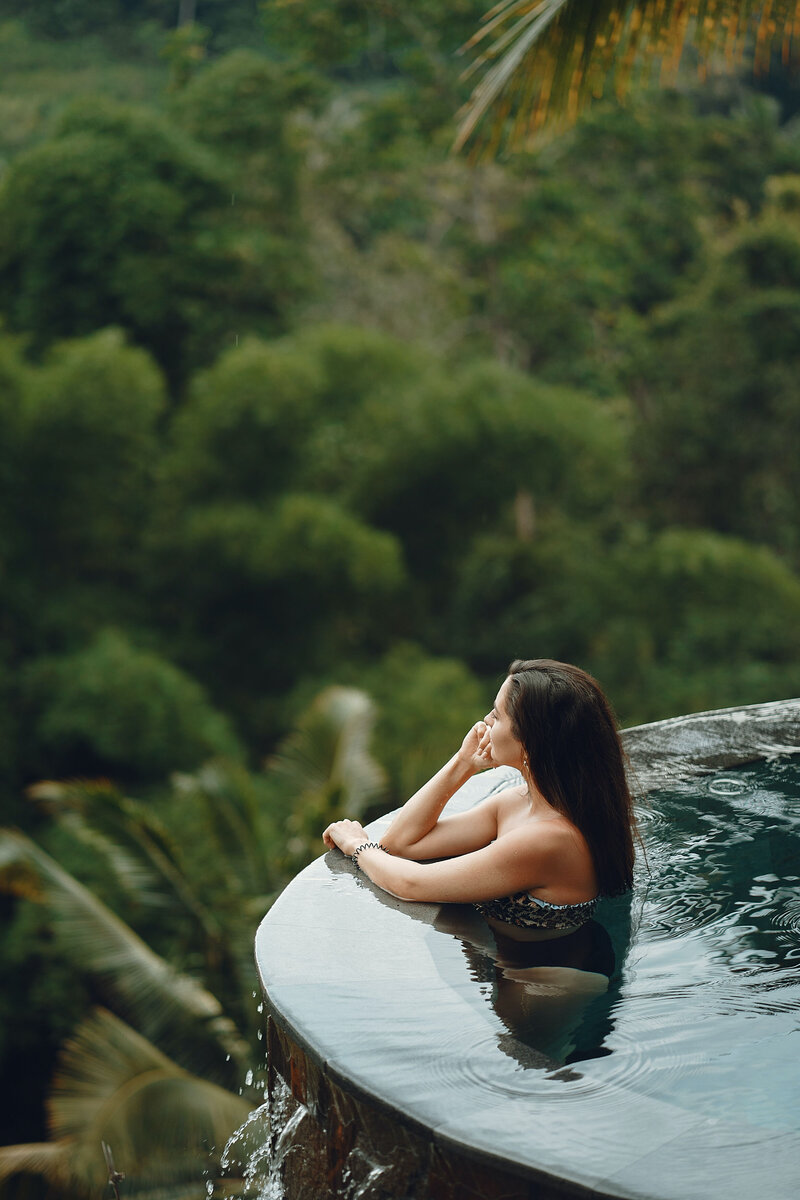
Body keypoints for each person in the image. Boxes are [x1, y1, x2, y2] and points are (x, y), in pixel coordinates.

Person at [323, 658, 637, 940]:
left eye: (497, 716)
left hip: (545, 983)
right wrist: (464, 762)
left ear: (530, 743)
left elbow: (411, 885)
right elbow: (401, 843)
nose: (485, 721)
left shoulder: (549, 839)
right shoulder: (517, 803)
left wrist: (356, 846)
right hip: (506, 961)